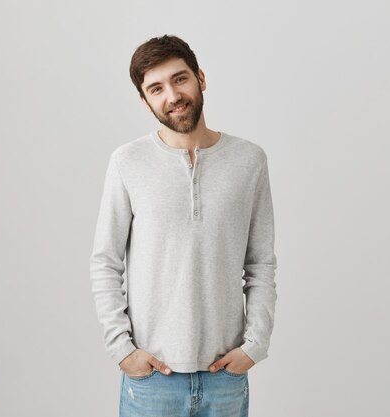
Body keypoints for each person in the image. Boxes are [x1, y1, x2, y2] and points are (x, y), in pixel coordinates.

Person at [88, 34, 278, 417]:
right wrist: (122, 350)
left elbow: (260, 263)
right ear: (145, 101)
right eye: (156, 88)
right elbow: (105, 262)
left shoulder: (249, 161)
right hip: (152, 380)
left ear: (200, 78)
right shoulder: (128, 162)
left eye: (180, 79)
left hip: (225, 377)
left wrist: (255, 345)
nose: (172, 95)